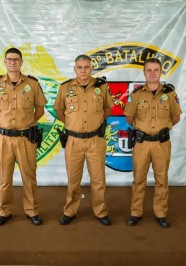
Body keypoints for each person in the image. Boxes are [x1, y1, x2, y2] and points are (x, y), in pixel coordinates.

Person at [0, 47, 48, 226]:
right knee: (4, 178)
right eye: (9, 59)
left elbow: (40, 110)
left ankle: (32, 211)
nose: (13, 62)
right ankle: (4, 211)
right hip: (4, 139)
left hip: (25, 139)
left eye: (16, 59)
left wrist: (26, 124)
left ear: (21, 62)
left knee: (29, 177)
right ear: (5, 62)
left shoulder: (32, 84)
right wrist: (4, 123)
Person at [53, 54, 114, 226]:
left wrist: (97, 121)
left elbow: (108, 108)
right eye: (79, 67)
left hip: (95, 140)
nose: (83, 70)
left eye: (86, 67)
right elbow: (59, 111)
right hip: (74, 141)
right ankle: (70, 211)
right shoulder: (65, 87)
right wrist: (73, 125)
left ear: (91, 68)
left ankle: (101, 211)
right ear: (75, 69)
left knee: (98, 179)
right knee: (73, 179)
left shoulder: (101, 87)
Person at [124, 58, 182, 228]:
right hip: (142, 144)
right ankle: (136, 212)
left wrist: (165, 128)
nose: (152, 73)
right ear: (144, 72)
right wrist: (141, 128)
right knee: (138, 179)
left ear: (160, 72)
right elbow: (129, 117)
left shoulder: (170, 94)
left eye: (156, 70)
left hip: (161, 144)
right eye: (149, 70)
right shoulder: (136, 95)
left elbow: (176, 117)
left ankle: (161, 213)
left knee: (161, 180)